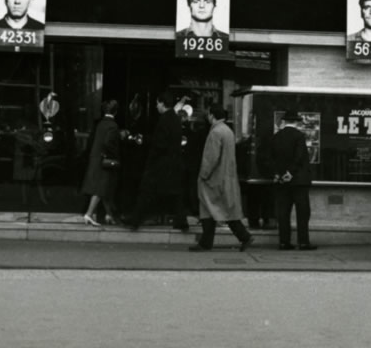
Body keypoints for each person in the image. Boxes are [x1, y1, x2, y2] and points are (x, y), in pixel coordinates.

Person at [191, 104, 253, 252]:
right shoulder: (228, 131)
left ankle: (209, 242)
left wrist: (203, 174)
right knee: (224, 211)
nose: (207, 117)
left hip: (214, 179)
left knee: (209, 209)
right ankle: (241, 237)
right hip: (227, 177)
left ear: (212, 115)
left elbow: (211, 157)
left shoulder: (215, 133)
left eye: (208, 114)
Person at [124, 91, 188, 232]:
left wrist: (144, 140)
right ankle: (182, 221)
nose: (156, 106)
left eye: (157, 103)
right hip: (173, 163)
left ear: (162, 103)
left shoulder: (165, 119)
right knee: (175, 193)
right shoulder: (175, 119)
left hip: (161, 164)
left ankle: (135, 221)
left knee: (146, 191)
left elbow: (160, 143)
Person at [270, 110, 315, 251]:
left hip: (281, 181)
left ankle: (284, 242)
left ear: (284, 122)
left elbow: (270, 158)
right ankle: (303, 242)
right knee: (302, 213)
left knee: (283, 212)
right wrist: (291, 172)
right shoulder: (299, 136)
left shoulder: (276, 137)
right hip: (299, 181)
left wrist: (277, 173)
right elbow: (299, 156)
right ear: (296, 122)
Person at [80, 98, 121, 226]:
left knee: (103, 189)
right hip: (105, 160)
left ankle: (110, 215)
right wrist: (116, 155)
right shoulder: (113, 125)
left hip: (96, 158)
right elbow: (108, 143)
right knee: (101, 189)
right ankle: (89, 214)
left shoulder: (100, 123)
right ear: (116, 112)